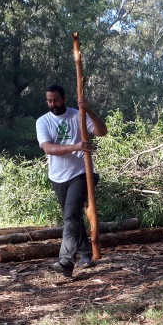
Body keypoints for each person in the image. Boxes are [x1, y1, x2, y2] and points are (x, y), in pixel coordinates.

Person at [36, 84, 108, 278]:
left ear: (64, 98)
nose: (53, 104)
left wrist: (89, 110)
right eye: (49, 101)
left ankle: (66, 262)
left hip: (82, 173)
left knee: (70, 216)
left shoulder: (78, 115)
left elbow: (102, 131)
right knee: (73, 217)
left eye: (56, 100)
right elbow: (48, 148)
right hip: (57, 176)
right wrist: (77, 145)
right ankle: (85, 254)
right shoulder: (42, 121)